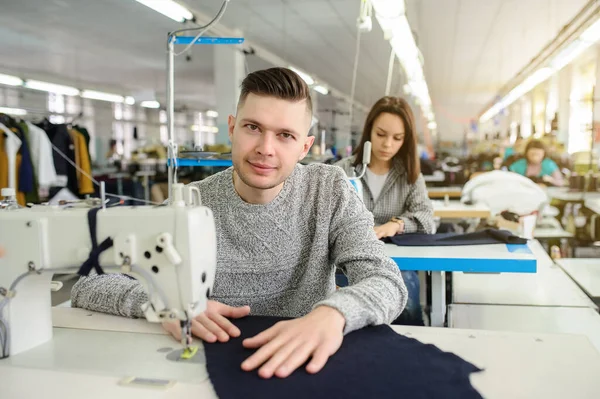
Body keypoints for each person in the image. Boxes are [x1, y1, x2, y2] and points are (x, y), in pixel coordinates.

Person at [71, 67, 407, 379]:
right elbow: (89, 281)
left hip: (304, 368)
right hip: (204, 371)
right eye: (253, 128)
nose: (265, 149)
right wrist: (161, 305)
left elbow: (386, 280)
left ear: (305, 146)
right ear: (232, 128)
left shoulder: (329, 191)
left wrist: (334, 314)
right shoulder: (189, 203)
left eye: (285, 135)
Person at [335, 96, 434, 325]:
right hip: (348, 262)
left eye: (397, 138)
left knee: (405, 306)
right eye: (381, 135)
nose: (388, 144)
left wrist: (394, 225)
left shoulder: (409, 176)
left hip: (395, 263)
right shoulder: (342, 171)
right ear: (369, 131)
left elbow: (427, 219)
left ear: (406, 140)